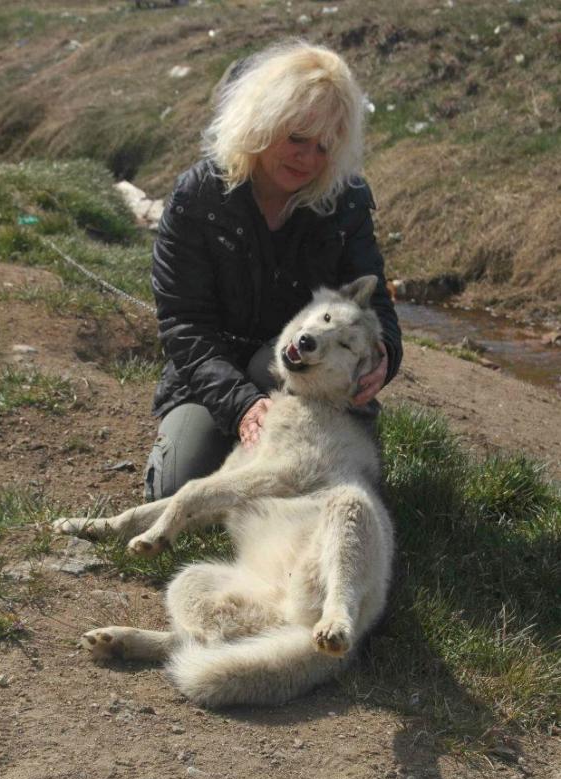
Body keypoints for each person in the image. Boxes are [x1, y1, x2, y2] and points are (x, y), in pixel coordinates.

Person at [144, 40, 402, 501]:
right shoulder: (197, 196)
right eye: (296, 138)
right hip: (212, 370)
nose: (308, 160)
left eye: (324, 147)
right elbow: (184, 324)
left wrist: (386, 357)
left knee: (320, 483)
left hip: (309, 369)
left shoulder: (347, 200)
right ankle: (227, 431)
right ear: (262, 122)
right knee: (173, 488)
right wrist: (242, 405)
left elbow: (373, 300)